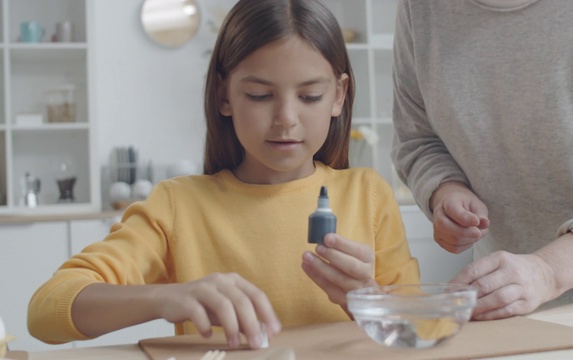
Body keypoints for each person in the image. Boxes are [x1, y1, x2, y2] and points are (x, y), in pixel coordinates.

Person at [28, 0, 420, 350]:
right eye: (260, 95)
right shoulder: (177, 206)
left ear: (338, 96)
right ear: (223, 96)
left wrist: (369, 300)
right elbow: (46, 309)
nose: (286, 119)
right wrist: (166, 298)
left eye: (310, 97)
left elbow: (424, 331)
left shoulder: (367, 195)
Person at [391, 0, 573, 321]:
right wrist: (445, 188)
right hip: (504, 302)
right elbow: (418, 139)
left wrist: (547, 270)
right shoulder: (420, 8)